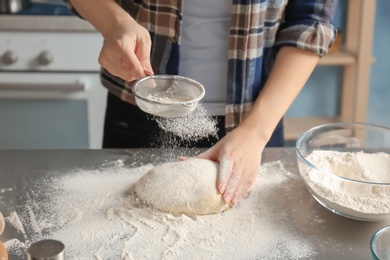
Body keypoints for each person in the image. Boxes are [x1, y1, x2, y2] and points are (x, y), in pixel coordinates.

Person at [67, 0, 338, 205]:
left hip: (253, 120)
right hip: (141, 106)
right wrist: (114, 22)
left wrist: (255, 133)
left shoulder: (254, 129)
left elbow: (310, 20)